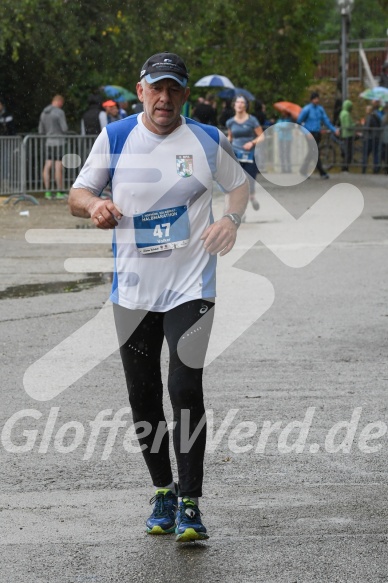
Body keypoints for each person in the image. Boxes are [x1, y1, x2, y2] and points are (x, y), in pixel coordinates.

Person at [68, 52, 249, 542]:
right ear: (142, 89)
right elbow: (76, 194)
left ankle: (191, 502)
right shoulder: (118, 136)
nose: (164, 98)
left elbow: (239, 186)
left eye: (173, 89)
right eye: (156, 89)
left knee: (185, 388)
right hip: (134, 292)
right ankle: (163, 491)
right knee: (143, 396)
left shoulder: (208, 140)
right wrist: (97, 205)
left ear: (185, 93)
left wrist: (231, 220)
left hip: (192, 287)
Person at [226, 95, 262, 211]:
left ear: (246, 105)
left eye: (242, 102)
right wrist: (224, 143)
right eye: (238, 102)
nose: (240, 104)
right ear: (234, 105)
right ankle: (240, 210)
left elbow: (262, 136)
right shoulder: (230, 122)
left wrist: (252, 143)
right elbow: (230, 137)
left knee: (249, 182)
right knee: (238, 184)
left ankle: (252, 197)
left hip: (250, 155)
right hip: (236, 155)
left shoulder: (252, 120)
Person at [297, 91, 340, 179]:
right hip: (309, 133)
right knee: (315, 152)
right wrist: (306, 132)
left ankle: (303, 170)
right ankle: (322, 172)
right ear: (311, 100)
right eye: (315, 99)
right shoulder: (307, 109)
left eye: (317, 98)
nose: (316, 100)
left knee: (311, 152)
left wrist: (333, 129)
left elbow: (326, 120)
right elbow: (299, 122)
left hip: (317, 133)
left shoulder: (320, 109)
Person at [38, 95, 68, 199]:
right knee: (58, 166)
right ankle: (60, 191)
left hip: (48, 142)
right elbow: (64, 128)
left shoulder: (43, 112)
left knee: (48, 165)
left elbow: (41, 130)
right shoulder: (59, 112)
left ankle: (47, 191)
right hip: (58, 141)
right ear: (59, 102)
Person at [362, 100, 382, 174]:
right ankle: (376, 168)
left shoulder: (369, 117)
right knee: (375, 153)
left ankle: (364, 169)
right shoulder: (377, 116)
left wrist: (363, 124)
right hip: (376, 137)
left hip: (369, 138)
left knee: (366, 154)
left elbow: (367, 128)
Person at [339, 99, 356, 172]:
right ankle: (345, 168)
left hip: (345, 134)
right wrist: (354, 124)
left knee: (347, 151)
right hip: (348, 135)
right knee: (348, 152)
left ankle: (345, 167)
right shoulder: (346, 114)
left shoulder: (342, 112)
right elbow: (348, 126)